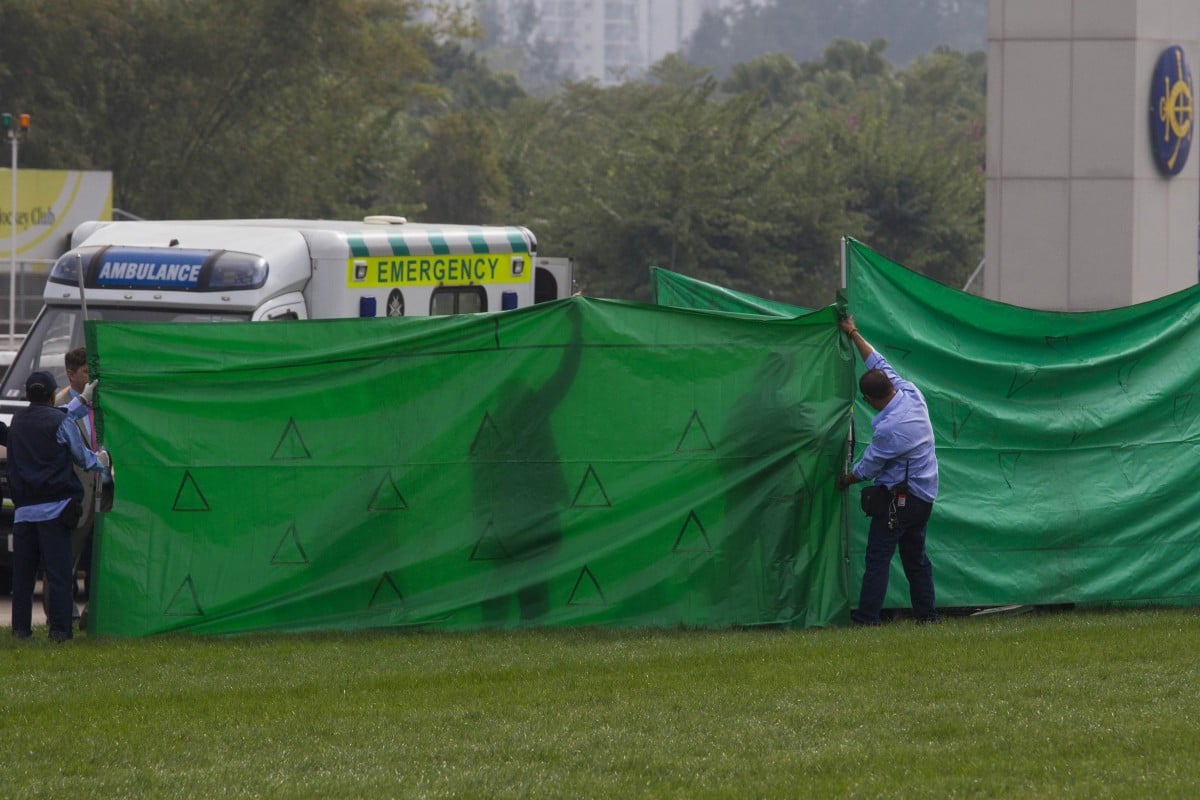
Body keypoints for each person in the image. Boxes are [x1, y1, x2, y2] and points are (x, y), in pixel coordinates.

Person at [836, 314, 939, 625]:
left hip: (901, 501)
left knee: (878, 558)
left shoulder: (891, 429)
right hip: (924, 497)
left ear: (869, 400)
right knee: (916, 560)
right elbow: (876, 362)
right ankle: (927, 617)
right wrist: (853, 333)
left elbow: (868, 467)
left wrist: (846, 479)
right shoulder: (910, 393)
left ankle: (867, 619)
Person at [8, 371, 109, 641]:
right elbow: (82, 457)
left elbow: (54, 417)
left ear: (29, 395)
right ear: (53, 394)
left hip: (24, 514)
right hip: (56, 510)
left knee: (23, 580)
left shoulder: (17, 421)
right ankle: (60, 632)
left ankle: (20, 630)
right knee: (60, 576)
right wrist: (102, 458)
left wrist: (81, 402)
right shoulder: (59, 420)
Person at [54, 347, 110, 620]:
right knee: (66, 561)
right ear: (71, 373)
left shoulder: (102, 403)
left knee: (98, 560)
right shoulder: (58, 405)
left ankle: (91, 613)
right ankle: (62, 615)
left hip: (104, 492)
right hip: (75, 496)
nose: (91, 377)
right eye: (86, 372)